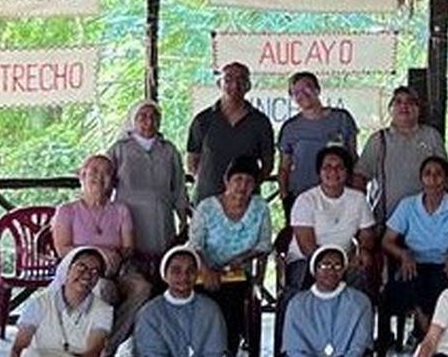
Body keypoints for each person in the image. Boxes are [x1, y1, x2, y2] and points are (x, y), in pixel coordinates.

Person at [122, 246, 264, 357]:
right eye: (176, 271)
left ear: (197, 274)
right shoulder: (150, 311)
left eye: (190, 271)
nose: (183, 277)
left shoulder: (210, 307)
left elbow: (215, 350)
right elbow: (153, 354)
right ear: (165, 275)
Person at [7, 247, 125, 357]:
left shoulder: (103, 310)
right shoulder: (39, 303)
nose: (87, 275)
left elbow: (92, 354)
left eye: (95, 272)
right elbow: (18, 347)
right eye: (82, 267)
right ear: (67, 269)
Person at [52, 153, 153, 354]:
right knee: (103, 288)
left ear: (113, 182)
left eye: (107, 173)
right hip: (78, 271)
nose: (100, 177)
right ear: (82, 176)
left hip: (115, 271)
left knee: (142, 288)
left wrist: (116, 256)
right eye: (94, 171)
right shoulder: (67, 210)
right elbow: (62, 248)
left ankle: (106, 347)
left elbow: (128, 247)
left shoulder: (120, 210)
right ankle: (86, 344)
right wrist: (97, 253)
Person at [261, 246, 372, 357]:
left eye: (337, 266)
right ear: (314, 270)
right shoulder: (297, 303)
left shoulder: (360, 302)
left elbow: (358, 348)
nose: (331, 271)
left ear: (344, 270)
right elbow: (294, 352)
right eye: (325, 265)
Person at [382, 156, 448, 337]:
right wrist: (403, 254)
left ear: (446, 180)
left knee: (440, 281)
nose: (433, 179)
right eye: (428, 174)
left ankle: (427, 334)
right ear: (421, 179)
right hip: (413, 262)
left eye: (438, 174)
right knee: (413, 279)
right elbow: (387, 240)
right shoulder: (408, 205)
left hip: (445, 263)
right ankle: (427, 331)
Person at [187, 156, 275, 357]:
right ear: (227, 180)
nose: (242, 186)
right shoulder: (207, 207)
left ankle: (227, 353)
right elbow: (195, 244)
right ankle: (199, 353)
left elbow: (264, 245)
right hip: (203, 270)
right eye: (238, 179)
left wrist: (242, 258)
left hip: (236, 272)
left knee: (233, 297)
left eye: (249, 181)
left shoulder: (260, 207)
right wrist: (207, 270)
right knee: (202, 296)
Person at [107, 100, 190, 274]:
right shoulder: (119, 149)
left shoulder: (168, 150)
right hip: (129, 216)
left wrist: (183, 216)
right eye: (142, 117)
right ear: (132, 120)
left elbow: (179, 186)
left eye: (154, 117)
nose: (149, 121)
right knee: (133, 266)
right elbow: (104, 181)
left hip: (161, 218)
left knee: (161, 265)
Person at [285, 146, 375, 294]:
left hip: (344, 261)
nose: (333, 172)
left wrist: (363, 250)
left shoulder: (358, 199)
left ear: (347, 172)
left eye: (339, 167)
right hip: (307, 259)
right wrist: (329, 266)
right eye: (327, 167)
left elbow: (367, 233)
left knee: (360, 279)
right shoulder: (306, 200)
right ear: (319, 172)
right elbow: (306, 245)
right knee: (301, 285)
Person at [355, 86, 448, 223]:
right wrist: (362, 216)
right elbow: (360, 177)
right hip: (387, 220)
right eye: (398, 102)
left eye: (410, 102)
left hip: (426, 221)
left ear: (418, 109)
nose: (404, 106)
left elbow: (445, 176)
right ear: (390, 109)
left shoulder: (431, 136)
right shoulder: (379, 139)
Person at [187, 62, 274, 203]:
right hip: (208, 201)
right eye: (228, 79)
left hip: (245, 203)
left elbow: (267, 164)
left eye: (241, 80)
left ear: (248, 86)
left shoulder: (260, 122)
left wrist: (246, 186)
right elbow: (192, 161)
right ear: (218, 84)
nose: (235, 85)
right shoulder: (203, 120)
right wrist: (208, 182)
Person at [276, 71, 358, 211]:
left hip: (338, 196)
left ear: (317, 89)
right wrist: (285, 196)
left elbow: (353, 157)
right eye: (296, 92)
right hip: (301, 196)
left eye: (306, 87)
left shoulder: (342, 118)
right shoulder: (290, 127)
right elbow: (284, 167)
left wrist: (356, 190)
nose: (302, 94)